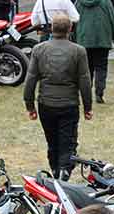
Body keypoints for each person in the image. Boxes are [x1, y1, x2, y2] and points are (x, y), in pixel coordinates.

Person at [24, 13, 92, 179]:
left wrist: (30, 105)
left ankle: (56, 170)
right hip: (69, 103)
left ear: (51, 28)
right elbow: (84, 81)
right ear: (70, 29)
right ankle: (63, 171)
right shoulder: (78, 51)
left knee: (52, 140)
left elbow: (31, 79)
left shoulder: (39, 50)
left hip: (46, 103)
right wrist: (88, 107)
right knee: (67, 141)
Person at [74, 0, 114, 103]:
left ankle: (86, 93)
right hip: (102, 39)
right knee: (101, 68)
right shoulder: (106, 2)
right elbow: (113, 20)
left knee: (86, 69)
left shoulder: (79, 3)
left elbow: (74, 21)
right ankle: (99, 93)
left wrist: (75, 38)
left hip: (84, 40)